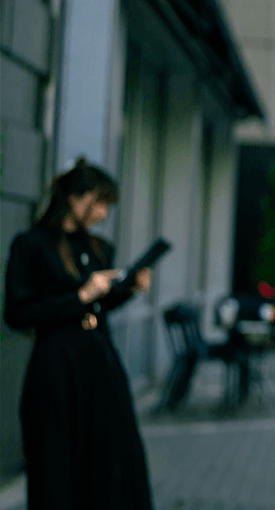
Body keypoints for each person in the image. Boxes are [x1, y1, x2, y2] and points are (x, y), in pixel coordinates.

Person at [4, 159, 154, 510]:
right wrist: (81, 296)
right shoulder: (31, 245)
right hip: (57, 369)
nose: (103, 213)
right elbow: (18, 313)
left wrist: (127, 289)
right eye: (98, 203)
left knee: (111, 458)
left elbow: (98, 309)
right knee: (58, 462)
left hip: (100, 365)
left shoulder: (99, 247)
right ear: (75, 198)